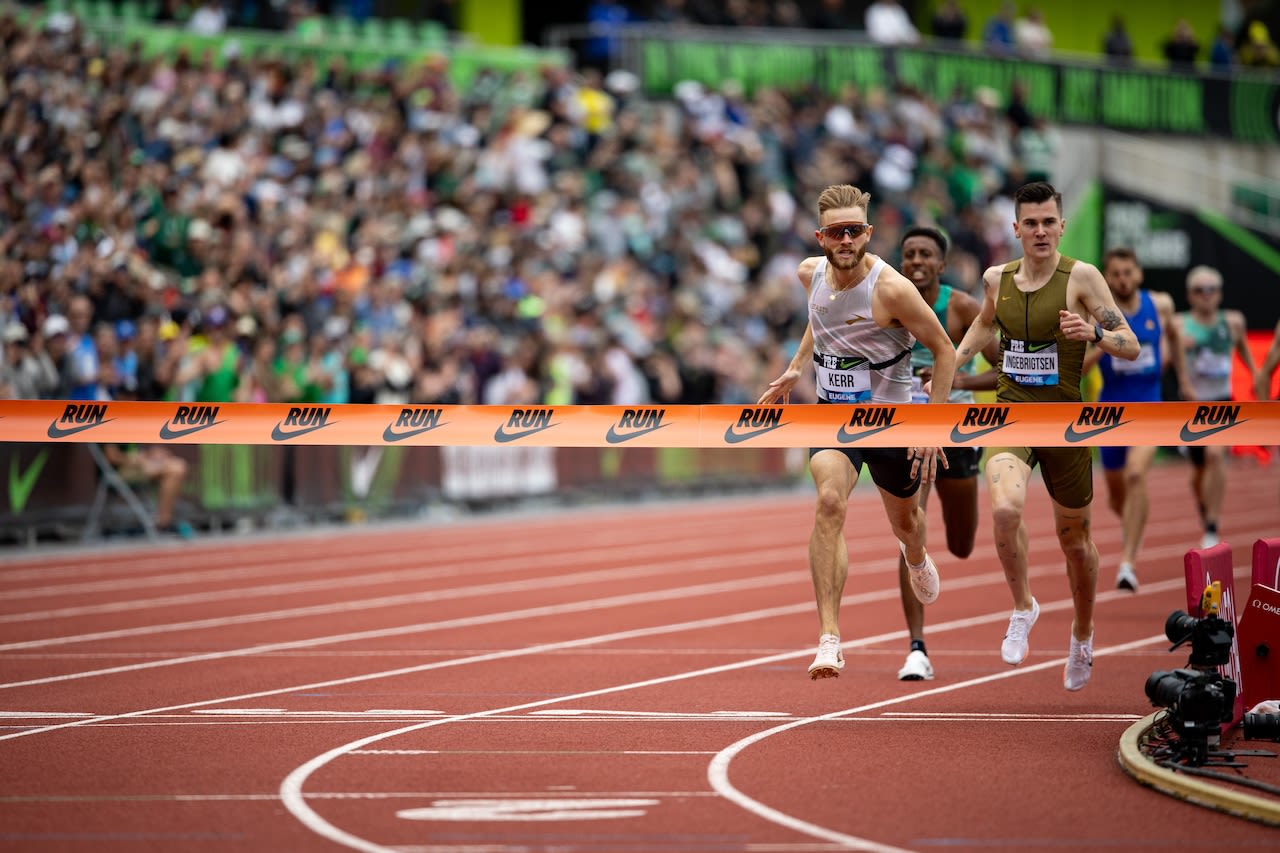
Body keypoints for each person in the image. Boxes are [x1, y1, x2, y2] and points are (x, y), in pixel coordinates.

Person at [758, 184, 957, 680]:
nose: (845, 239)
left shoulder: (891, 290)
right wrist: (796, 366)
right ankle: (829, 639)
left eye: (854, 231)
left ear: (867, 233)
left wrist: (932, 429)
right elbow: (819, 318)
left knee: (907, 524)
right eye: (836, 232)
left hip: (893, 423)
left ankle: (914, 556)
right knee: (829, 502)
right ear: (820, 237)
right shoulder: (810, 274)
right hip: (833, 418)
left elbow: (946, 350)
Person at [953, 181, 1139, 691]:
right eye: (1029, 223)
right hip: (1011, 416)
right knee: (1006, 509)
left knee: (1074, 542)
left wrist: (1094, 334)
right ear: (1015, 229)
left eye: (1048, 222)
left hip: (1066, 423)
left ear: (1060, 225)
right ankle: (1023, 606)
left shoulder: (1083, 277)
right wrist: (955, 361)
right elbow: (985, 327)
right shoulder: (997, 278)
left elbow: (1132, 345)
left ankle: (1082, 633)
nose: (1039, 231)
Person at [895, 227, 1000, 681]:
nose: (916, 261)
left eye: (925, 255)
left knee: (960, 544)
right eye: (909, 254)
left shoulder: (961, 308)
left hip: (956, 432)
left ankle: (947, 545)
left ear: (941, 265)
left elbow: (1002, 371)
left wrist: (956, 381)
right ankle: (916, 647)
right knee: (909, 532)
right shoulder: (888, 303)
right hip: (905, 430)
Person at [1085, 248, 1193, 592]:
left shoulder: (1159, 304)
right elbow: (1084, 366)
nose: (1121, 280)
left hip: (1149, 406)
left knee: (1135, 475)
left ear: (1139, 274)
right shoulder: (1098, 315)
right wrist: (1108, 341)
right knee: (1117, 495)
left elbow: (1173, 336)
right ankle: (1133, 522)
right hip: (1110, 412)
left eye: (1127, 272)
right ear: (1106, 278)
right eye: (1114, 274)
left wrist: (1184, 381)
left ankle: (1127, 563)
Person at [1177, 265, 1258, 548]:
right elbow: (1168, 358)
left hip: (1222, 403)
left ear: (1220, 293)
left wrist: (1258, 376)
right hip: (1191, 407)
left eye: (1211, 289)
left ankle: (1212, 523)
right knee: (1198, 472)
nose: (1206, 295)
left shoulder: (1233, 322)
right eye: (1200, 290)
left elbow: (1245, 353)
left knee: (1215, 456)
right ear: (1190, 295)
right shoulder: (1179, 324)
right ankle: (1205, 510)